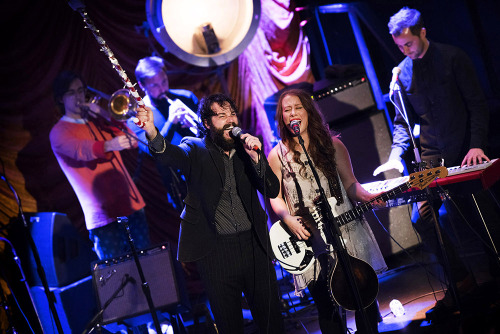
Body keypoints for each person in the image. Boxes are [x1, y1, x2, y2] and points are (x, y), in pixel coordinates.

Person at [373, 7, 498, 319]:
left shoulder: (453, 57)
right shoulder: (402, 72)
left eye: (408, 44)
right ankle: (461, 280)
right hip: (431, 159)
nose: (405, 51)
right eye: (399, 46)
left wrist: (476, 145)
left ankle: (496, 279)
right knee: (421, 219)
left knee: (481, 214)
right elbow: (403, 123)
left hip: (465, 152)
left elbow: (476, 105)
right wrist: (394, 156)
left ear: (422, 33)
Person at [135, 93, 285, 334]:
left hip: (254, 247)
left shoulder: (247, 150)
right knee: (230, 326)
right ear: (206, 123)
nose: (230, 120)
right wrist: (152, 130)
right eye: (221, 115)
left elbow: (271, 189)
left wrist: (257, 158)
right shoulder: (195, 148)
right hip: (217, 254)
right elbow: (166, 155)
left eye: (232, 114)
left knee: (272, 324)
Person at [268, 88, 387, 334]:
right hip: (310, 240)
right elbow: (275, 198)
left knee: (361, 298)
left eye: (298, 107)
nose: (293, 114)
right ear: (281, 117)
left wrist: (367, 197)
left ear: (308, 112)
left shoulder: (333, 146)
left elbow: (351, 184)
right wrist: (287, 218)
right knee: (327, 307)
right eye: (287, 110)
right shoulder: (276, 155)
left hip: (346, 230)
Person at [50, 71, 151, 261]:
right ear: (61, 99)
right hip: (103, 217)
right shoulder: (59, 132)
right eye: (72, 93)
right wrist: (109, 145)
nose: (79, 97)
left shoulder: (99, 120)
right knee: (118, 278)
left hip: (132, 204)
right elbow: (82, 150)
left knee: (149, 264)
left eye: (81, 91)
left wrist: (106, 114)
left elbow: (132, 141)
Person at [127, 56, 201, 212]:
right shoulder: (138, 119)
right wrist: (171, 123)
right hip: (182, 186)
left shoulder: (185, 97)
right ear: (142, 85)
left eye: (164, 81)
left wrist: (198, 128)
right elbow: (154, 151)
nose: (162, 89)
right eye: (155, 85)